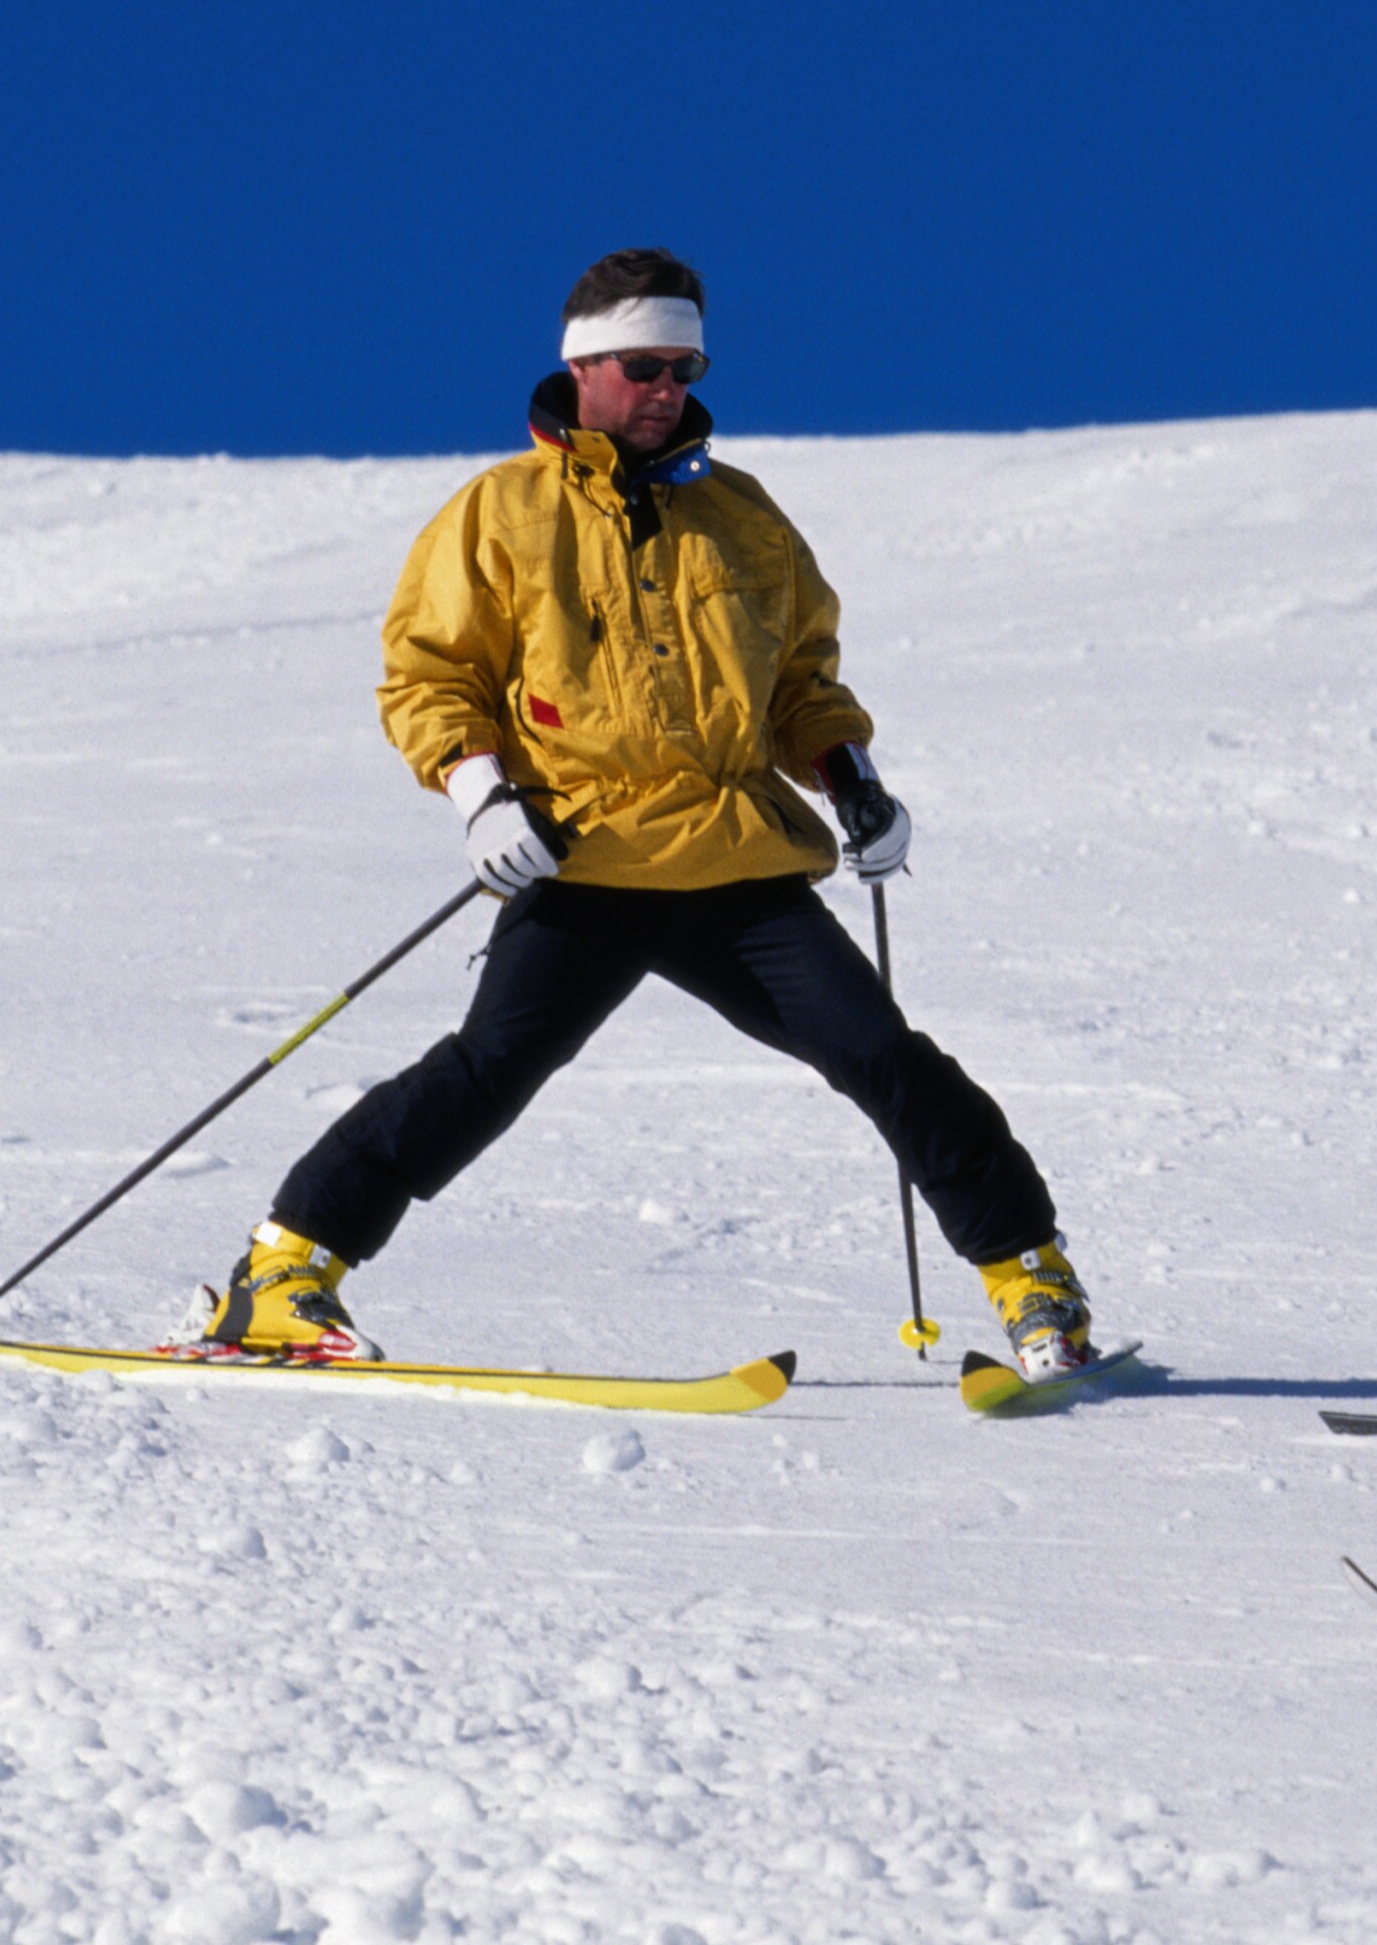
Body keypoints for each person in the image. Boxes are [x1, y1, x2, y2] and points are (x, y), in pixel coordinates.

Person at [190, 249, 1101, 1377]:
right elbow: (431, 677)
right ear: (582, 368)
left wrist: (854, 783)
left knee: (885, 1060)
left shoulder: (742, 516)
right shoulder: (500, 513)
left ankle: (1034, 1281)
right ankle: (282, 1275)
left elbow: (800, 684)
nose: (669, 386)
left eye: (687, 366)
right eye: (644, 364)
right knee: (488, 1073)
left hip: (734, 863)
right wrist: (483, 797)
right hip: (583, 856)